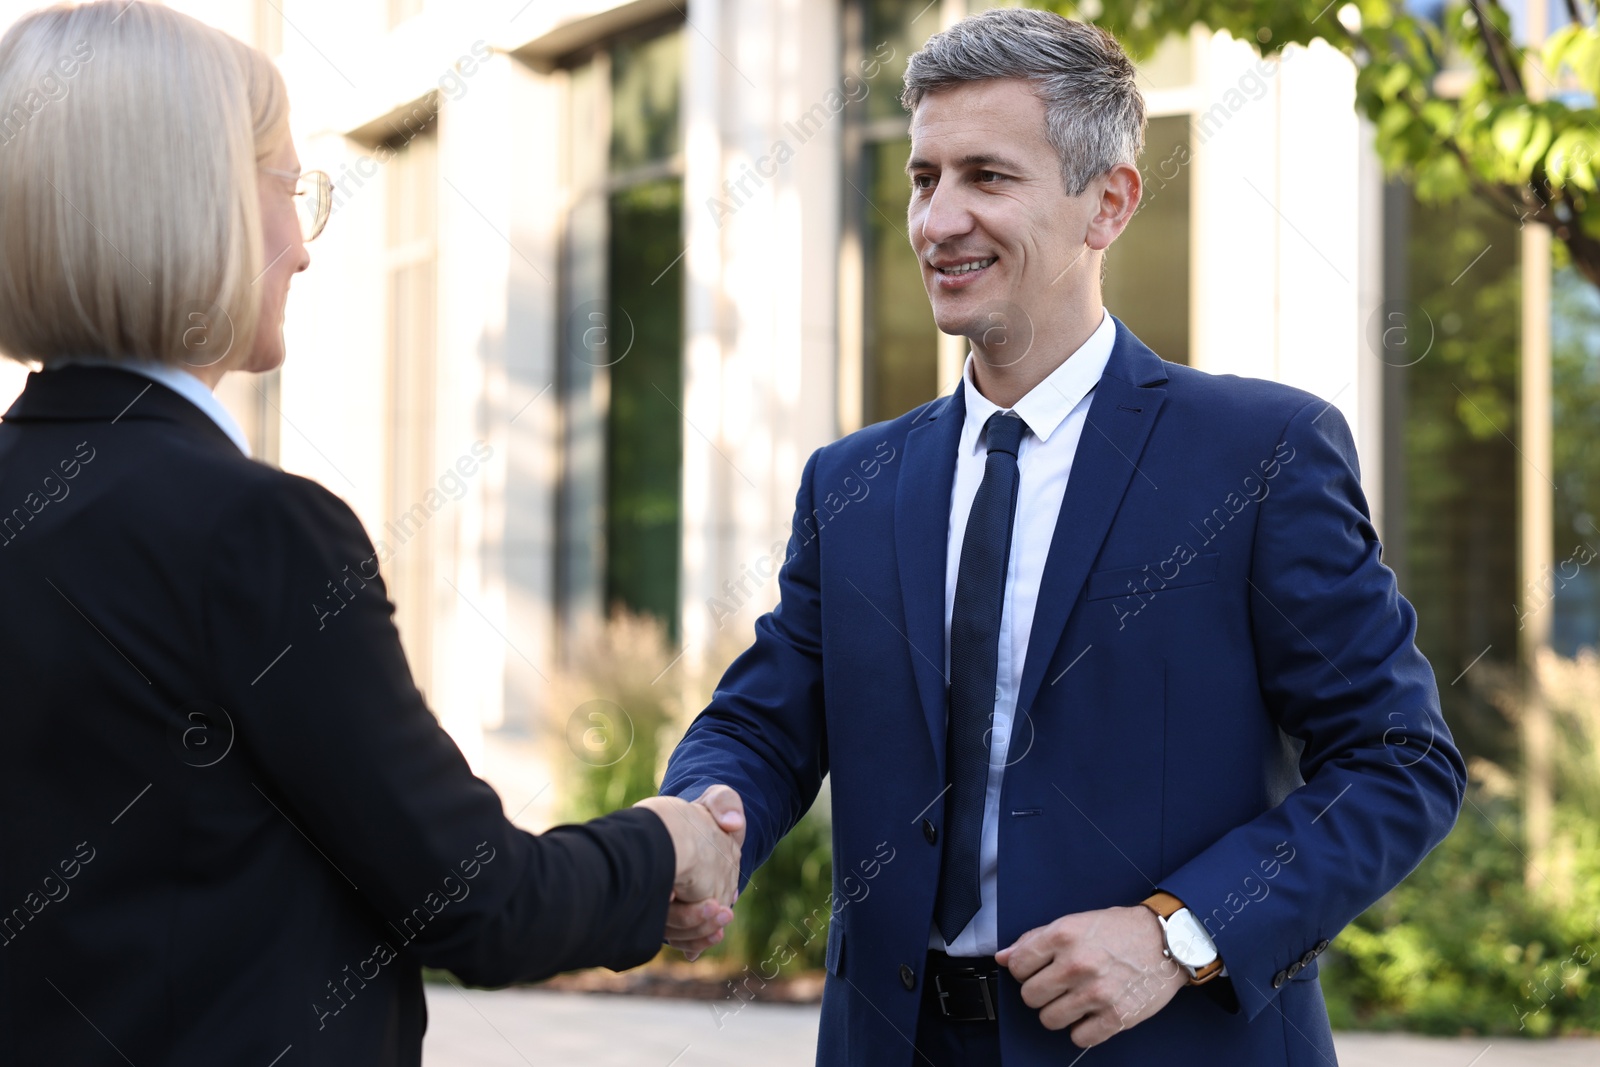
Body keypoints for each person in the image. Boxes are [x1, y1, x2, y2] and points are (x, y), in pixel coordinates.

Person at [661, 9, 1465, 1066]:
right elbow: (767, 724)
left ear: (1109, 203)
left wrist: (1180, 933)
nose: (937, 219)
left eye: (987, 177)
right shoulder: (851, 481)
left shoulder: (1260, 454)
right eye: (922, 177)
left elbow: (1396, 759)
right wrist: (700, 820)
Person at [0, 4, 739, 1064]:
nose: (300, 247)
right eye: (285, 189)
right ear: (194, 205)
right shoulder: (253, 533)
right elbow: (475, 898)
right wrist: (664, 842)